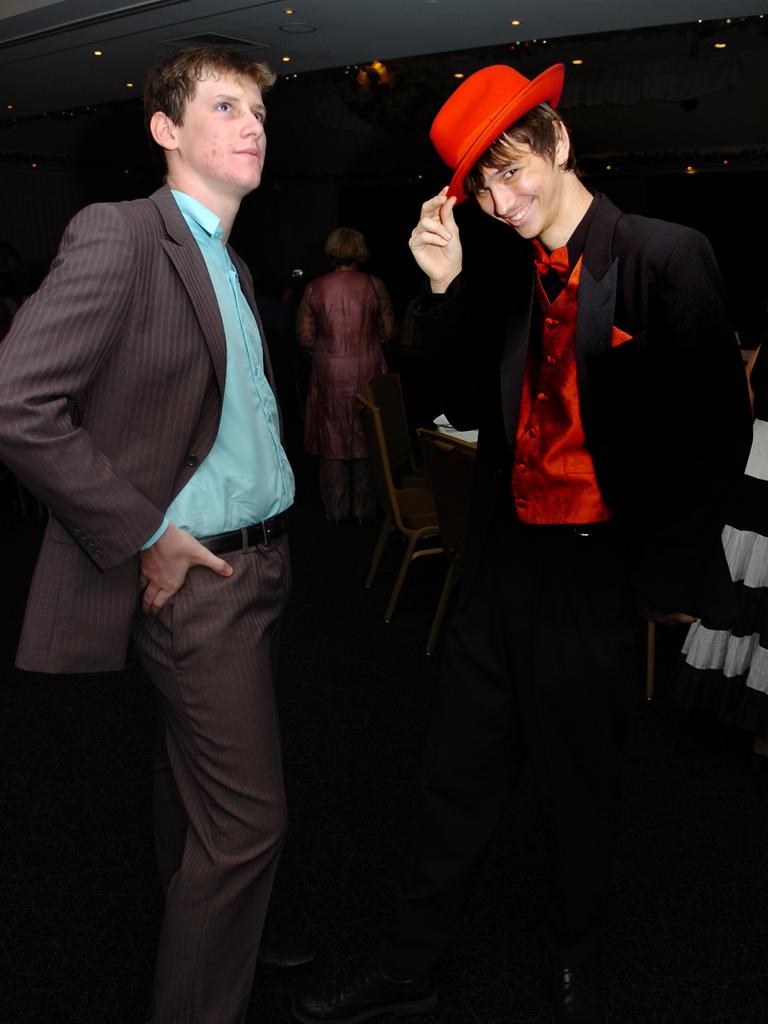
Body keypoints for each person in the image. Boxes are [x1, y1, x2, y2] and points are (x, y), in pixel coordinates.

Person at [292, 63, 752, 1024]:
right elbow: (457, 399)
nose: (501, 202)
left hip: (597, 576)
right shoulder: (499, 270)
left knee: (579, 790)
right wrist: (444, 290)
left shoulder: (667, 254)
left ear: (558, 144)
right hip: (501, 571)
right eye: (483, 186)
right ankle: (406, 970)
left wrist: (664, 572)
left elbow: (716, 431)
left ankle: (580, 964)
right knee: (452, 775)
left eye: (513, 173)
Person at [0, 46, 309, 1024]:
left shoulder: (230, 253)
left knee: (193, 797)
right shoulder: (123, 234)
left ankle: (205, 950)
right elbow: (15, 403)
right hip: (199, 579)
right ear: (165, 130)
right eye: (225, 105)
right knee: (251, 822)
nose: (253, 123)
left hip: (260, 562)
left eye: (258, 107)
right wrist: (146, 534)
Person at [673, 343, 768, 767]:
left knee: (745, 586)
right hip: (756, 470)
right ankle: (759, 728)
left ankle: (725, 705)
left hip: (755, 463)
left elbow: (746, 391)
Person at [298, 227, 396, 521]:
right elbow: (389, 332)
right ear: (359, 251)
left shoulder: (315, 287)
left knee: (332, 439)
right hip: (368, 367)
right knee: (367, 436)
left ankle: (336, 512)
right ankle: (365, 512)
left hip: (329, 370)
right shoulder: (374, 284)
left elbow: (304, 336)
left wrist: (329, 350)